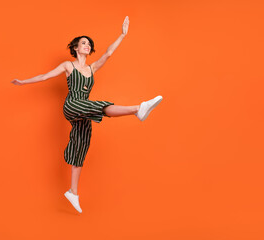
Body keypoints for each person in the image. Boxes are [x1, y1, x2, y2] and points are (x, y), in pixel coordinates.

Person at [11, 16, 163, 213]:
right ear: (75, 47)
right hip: (73, 104)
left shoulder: (92, 68)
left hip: (85, 110)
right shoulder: (68, 66)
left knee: (80, 145)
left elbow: (108, 54)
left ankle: (73, 192)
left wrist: (122, 35)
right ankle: (137, 109)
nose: (87, 45)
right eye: (83, 43)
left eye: (89, 44)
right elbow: (45, 76)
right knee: (98, 105)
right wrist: (23, 82)